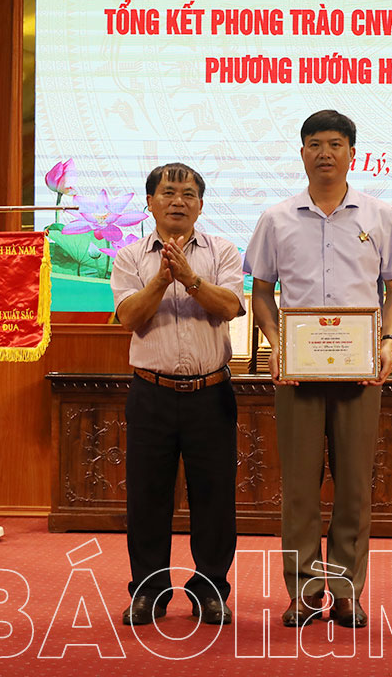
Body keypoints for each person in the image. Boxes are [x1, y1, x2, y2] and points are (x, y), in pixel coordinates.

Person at [244, 110, 392, 629]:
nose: (325, 153)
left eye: (335, 144)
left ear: (352, 153)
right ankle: (303, 592)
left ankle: (345, 592)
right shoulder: (276, 218)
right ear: (302, 153)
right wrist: (276, 344)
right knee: (299, 488)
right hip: (296, 374)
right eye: (315, 144)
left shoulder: (380, 215)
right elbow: (261, 292)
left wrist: (387, 342)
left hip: (360, 373)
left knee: (355, 488)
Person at [110, 162, 245, 626]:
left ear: (200, 206)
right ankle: (149, 591)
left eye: (188, 194)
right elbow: (129, 317)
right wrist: (161, 279)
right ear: (150, 203)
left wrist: (189, 278)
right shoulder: (129, 256)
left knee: (215, 499)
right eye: (168, 193)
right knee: (147, 499)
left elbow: (230, 306)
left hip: (212, 394)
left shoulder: (223, 251)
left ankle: (211, 590)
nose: (178, 201)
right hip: (152, 394)